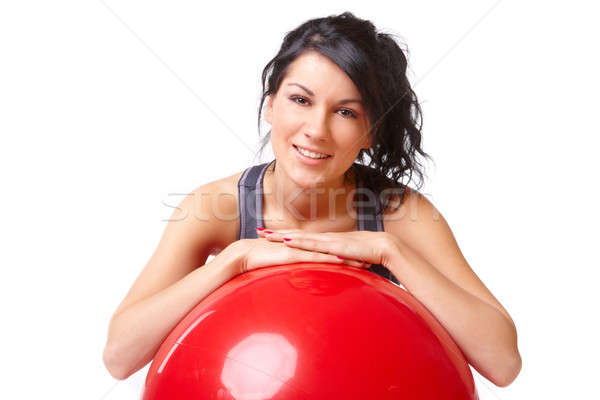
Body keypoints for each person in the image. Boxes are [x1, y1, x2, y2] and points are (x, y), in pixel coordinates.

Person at [102, 11, 521, 387]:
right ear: (270, 106)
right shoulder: (216, 207)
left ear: (371, 131)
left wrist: (388, 251)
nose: (316, 129)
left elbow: (502, 364)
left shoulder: (399, 214)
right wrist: (237, 260)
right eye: (300, 100)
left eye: (346, 112)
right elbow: (120, 357)